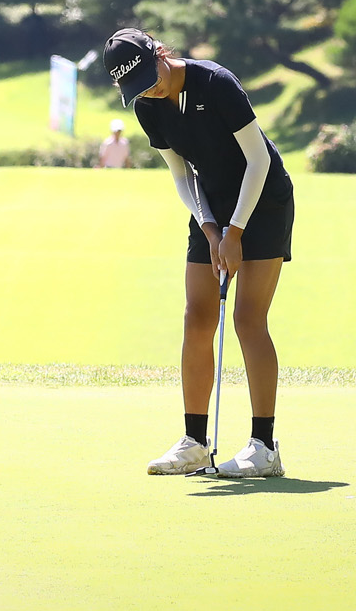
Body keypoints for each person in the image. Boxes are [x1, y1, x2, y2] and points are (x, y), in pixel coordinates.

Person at [105, 27, 295, 478]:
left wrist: (236, 231)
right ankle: (194, 442)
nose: (149, 90)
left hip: (263, 200)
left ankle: (265, 447)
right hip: (210, 202)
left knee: (248, 319)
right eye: (137, 87)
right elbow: (181, 174)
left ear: (159, 54)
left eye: (150, 78)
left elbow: (259, 160)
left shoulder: (215, 83)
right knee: (197, 316)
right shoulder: (148, 107)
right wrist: (211, 229)